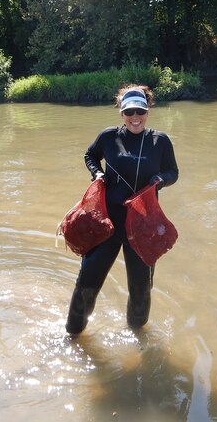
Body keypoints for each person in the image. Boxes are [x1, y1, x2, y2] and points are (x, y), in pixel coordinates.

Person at [66, 85, 179, 335]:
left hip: (142, 226)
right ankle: (73, 334)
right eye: (129, 112)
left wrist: (161, 179)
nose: (135, 116)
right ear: (121, 113)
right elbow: (90, 155)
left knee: (141, 288)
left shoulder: (160, 142)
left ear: (148, 111)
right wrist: (96, 174)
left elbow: (173, 172)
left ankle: (138, 338)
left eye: (140, 110)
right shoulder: (108, 137)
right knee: (87, 282)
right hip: (107, 222)